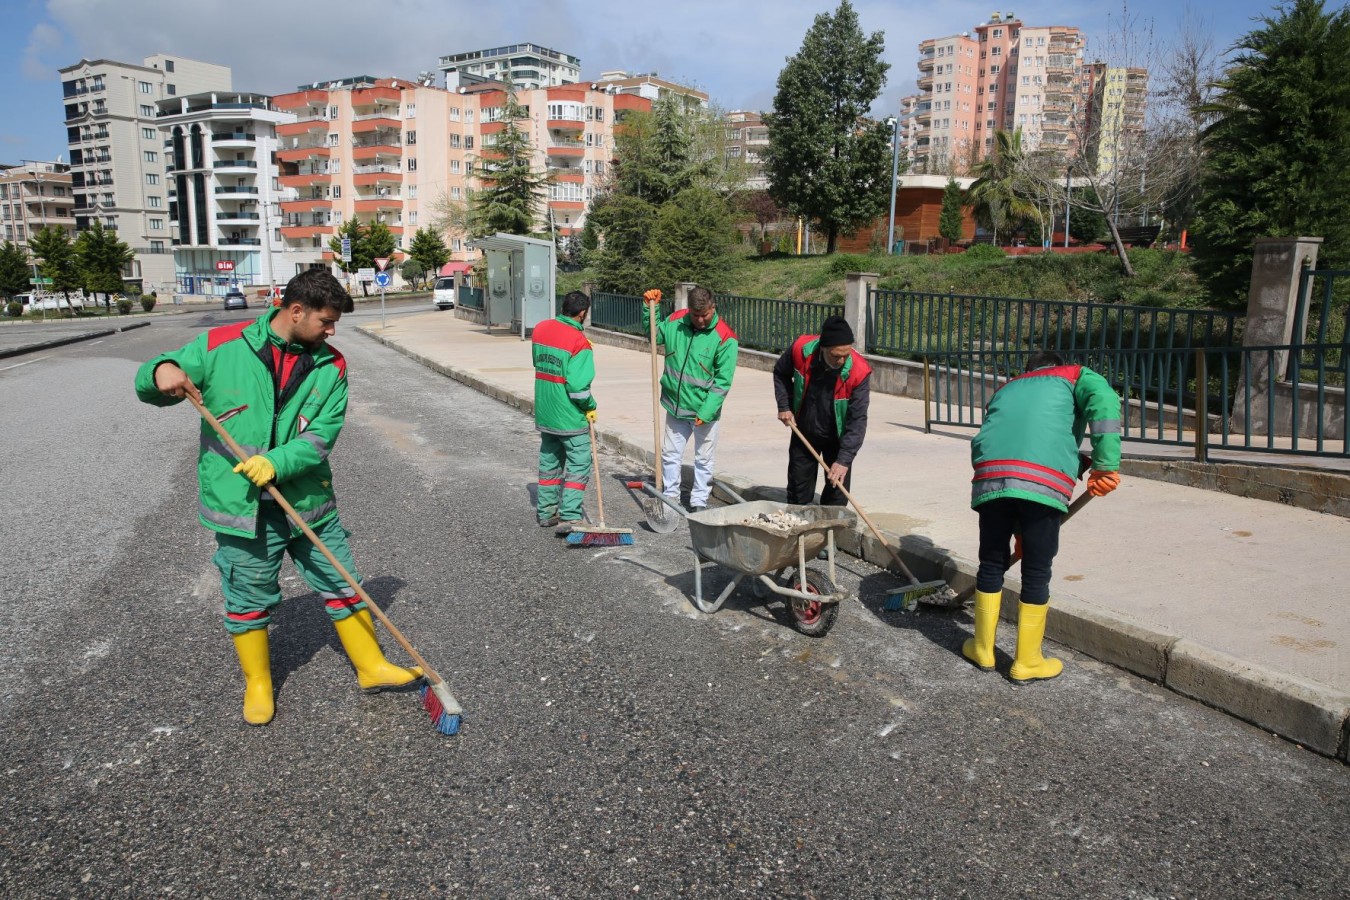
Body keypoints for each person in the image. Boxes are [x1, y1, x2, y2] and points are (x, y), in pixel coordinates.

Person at [134, 268, 422, 726]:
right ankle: (259, 683)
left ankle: (371, 667)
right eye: (325, 322)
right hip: (242, 509)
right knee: (248, 596)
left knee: (343, 581)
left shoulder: (332, 365)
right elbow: (153, 382)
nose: (331, 332)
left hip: (308, 502)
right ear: (295, 310)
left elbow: (323, 434)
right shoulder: (219, 347)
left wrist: (277, 462)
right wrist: (160, 370)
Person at [964, 350, 1122, 683]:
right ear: (1058, 364)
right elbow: (1105, 404)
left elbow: (1016, 440)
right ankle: (1027, 662)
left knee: (991, 562)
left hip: (991, 479)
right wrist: (1106, 463)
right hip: (1041, 485)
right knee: (1037, 569)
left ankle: (982, 649)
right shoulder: (1076, 375)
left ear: (1029, 370)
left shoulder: (1009, 388)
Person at [641, 286, 739, 512]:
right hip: (675, 406)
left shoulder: (725, 338)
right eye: (695, 315)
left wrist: (706, 412)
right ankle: (671, 496)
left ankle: (699, 501)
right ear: (688, 311)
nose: (700, 320)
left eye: (704, 315)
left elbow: (722, 382)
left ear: (713, 308)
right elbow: (654, 335)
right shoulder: (676, 322)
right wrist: (649, 308)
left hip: (704, 412)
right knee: (670, 454)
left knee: (703, 458)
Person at [772, 315, 871, 506]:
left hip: (838, 438)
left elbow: (857, 419)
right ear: (823, 347)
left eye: (846, 354)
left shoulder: (859, 371)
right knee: (797, 493)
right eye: (836, 355)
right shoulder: (801, 349)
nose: (841, 360)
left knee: (836, 495)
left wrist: (844, 460)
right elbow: (780, 372)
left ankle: (830, 533)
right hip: (804, 431)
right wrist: (784, 406)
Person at [531, 291, 597, 534]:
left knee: (550, 463)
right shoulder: (579, 342)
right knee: (579, 463)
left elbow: (538, 364)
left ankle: (546, 513)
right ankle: (570, 515)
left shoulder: (540, 329)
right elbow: (578, 389)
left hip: (545, 411)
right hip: (568, 416)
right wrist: (590, 407)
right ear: (582, 314)